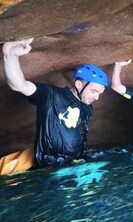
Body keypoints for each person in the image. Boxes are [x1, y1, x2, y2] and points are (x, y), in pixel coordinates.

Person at [3, 38, 108, 167]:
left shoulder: (87, 108)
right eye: (94, 91)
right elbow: (19, 85)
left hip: (75, 164)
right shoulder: (52, 96)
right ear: (79, 84)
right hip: (49, 167)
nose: (97, 97)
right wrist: (10, 55)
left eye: (99, 93)